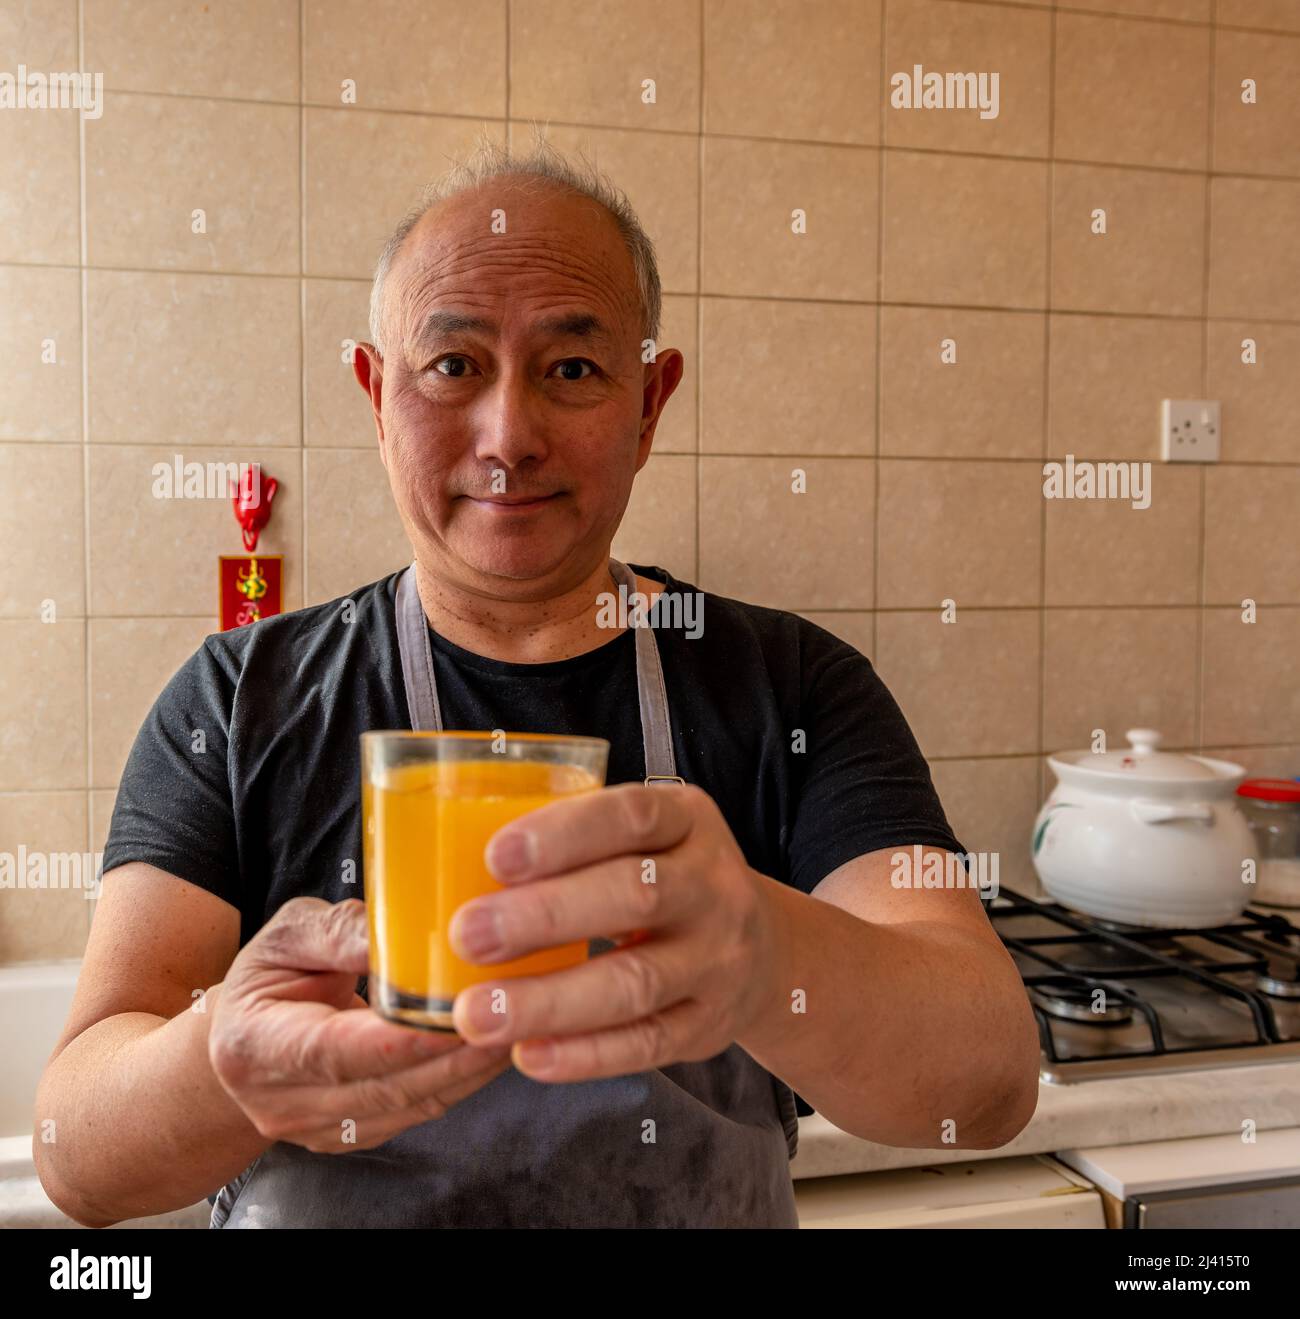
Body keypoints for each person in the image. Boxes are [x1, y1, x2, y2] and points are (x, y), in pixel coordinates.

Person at [33, 134, 1039, 1229]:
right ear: (377, 395)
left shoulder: (795, 689)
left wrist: (757, 948)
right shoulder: (237, 703)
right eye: (453, 365)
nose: (508, 437)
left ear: (650, 404)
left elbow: (984, 1084)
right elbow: (76, 1160)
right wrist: (221, 1060)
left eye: (570, 369)